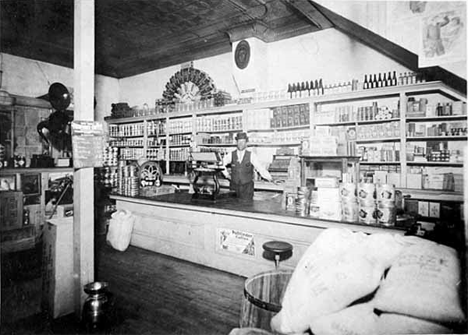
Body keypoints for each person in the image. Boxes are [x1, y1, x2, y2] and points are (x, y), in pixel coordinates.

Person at [221, 132, 273, 201]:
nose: (241, 144)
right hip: (234, 187)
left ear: (246, 143)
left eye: (243, 142)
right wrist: (227, 175)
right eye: (239, 141)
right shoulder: (231, 154)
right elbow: (220, 164)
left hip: (247, 188)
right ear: (236, 142)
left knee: (247, 208)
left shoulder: (251, 155)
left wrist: (270, 178)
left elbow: (260, 168)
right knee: (232, 207)